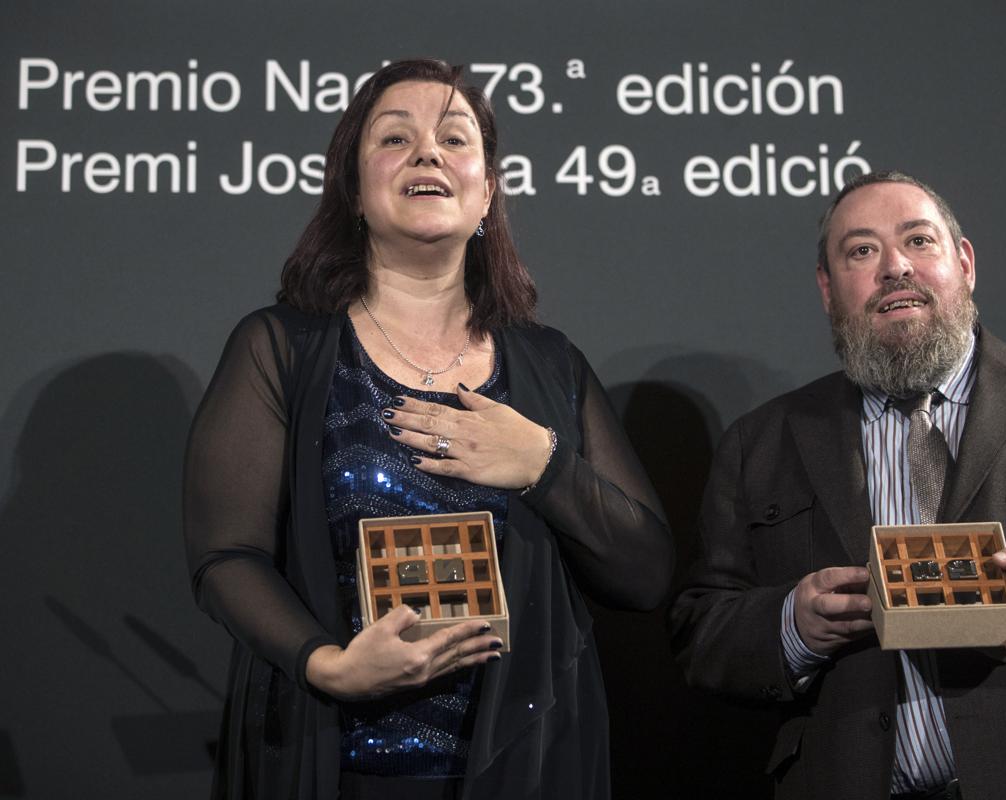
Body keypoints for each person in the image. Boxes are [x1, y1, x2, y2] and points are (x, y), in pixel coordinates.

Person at [184, 59, 673, 800]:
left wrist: (543, 462)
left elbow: (647, 575)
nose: (427, 154)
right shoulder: (281, 347)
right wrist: (327, 664)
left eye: (453, 138)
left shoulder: (549, 364)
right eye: (394, 139)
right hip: (335, 768)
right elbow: (227, 555)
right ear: (354, 189)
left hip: (528, 770)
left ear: (487, 195)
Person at [670, 170, 1006, 800]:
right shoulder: (764, 441)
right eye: (862, 251)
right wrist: (792, 625)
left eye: (919, 240)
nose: (895, 267)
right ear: (828, 290)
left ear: (964, 263)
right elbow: (702, 630)